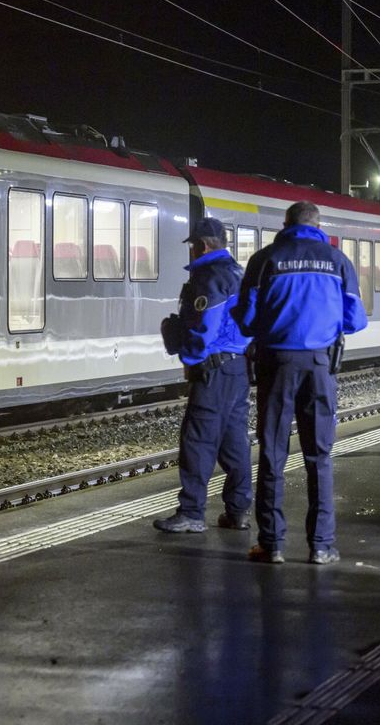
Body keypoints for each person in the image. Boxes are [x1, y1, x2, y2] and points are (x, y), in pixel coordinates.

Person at [232, 201, 367, 565]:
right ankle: (322, 545)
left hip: (276, 364)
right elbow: (356, 320)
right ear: (318, 225)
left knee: (273, 452)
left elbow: (245, 320)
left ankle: (272, 544)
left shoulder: (264, 260)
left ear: (285, 224)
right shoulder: (337, 261)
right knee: (319, 455)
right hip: (321, 366)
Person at [154, 217, 253, 534]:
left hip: (212, 370)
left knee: (197, 440)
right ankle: (238, 511)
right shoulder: (239, 272)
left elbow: (205, 327)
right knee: (233, 441)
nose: (191, 252)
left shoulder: (209, 276)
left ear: (202, 246)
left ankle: (192, 513)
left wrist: (189, 356)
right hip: (237, 368)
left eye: (193, 246)